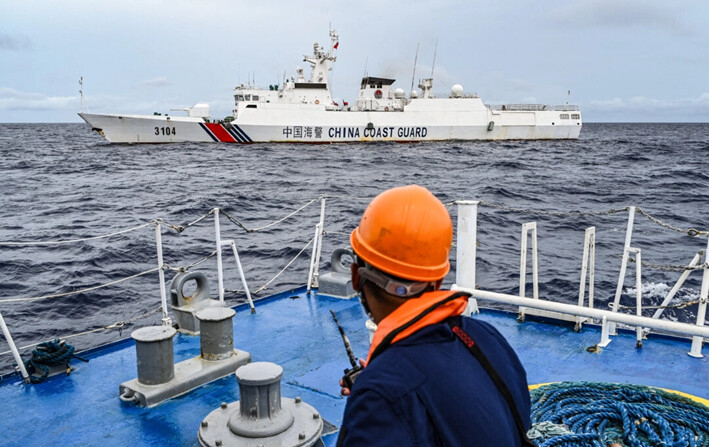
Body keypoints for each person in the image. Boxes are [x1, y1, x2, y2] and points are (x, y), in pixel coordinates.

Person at [337, 185, 532, 447]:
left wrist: (376, 390)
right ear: (437, 280)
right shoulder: (488, 338)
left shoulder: (378, 394)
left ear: (355, 276)